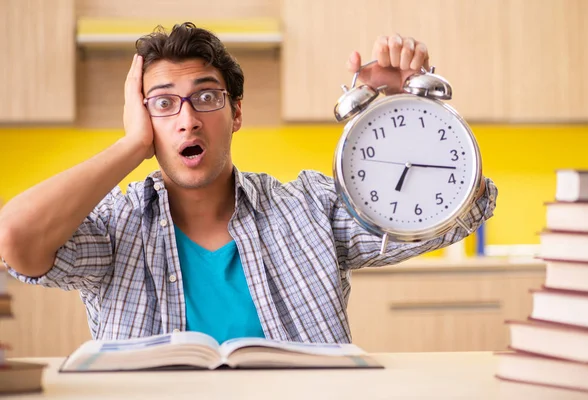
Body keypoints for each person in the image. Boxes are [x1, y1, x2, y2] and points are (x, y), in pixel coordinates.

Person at [0, 23, 497, 344]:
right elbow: (15, 240)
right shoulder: (114, 229)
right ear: (143, 118)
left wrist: (407, 110)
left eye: (206, 98)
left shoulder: (310, 210)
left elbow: (452, 214)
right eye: (164, 103)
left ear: (236, 113)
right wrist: (132, 145)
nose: (188, 120)